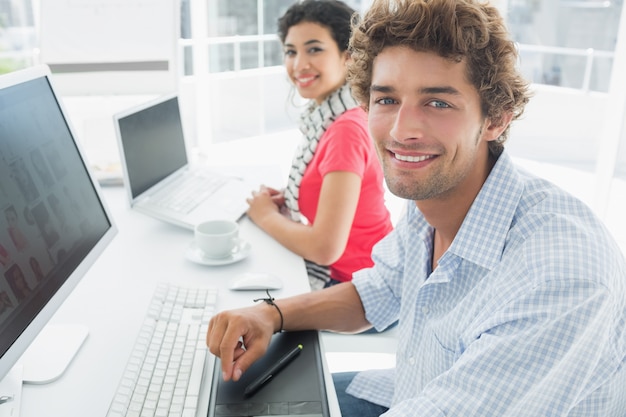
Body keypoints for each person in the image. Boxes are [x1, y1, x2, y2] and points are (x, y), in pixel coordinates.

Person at [207, 0, 626, 416]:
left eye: (438, 102)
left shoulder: (563, 276)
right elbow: (378, 292)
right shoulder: (435, 196)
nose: (402, 130)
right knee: (242, 402)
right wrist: (270, 314)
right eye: (386, 100)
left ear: (496, 118)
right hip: (410, 390)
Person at [246, 0, 393, 290]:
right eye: (291, 51)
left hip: (358, 287)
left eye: (314, 49)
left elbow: (326, 249)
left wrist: (263, 215)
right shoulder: (332, 115)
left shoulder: (345, 130)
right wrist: (290, 196)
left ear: (348, 57)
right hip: (352, 275)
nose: (299, 64)